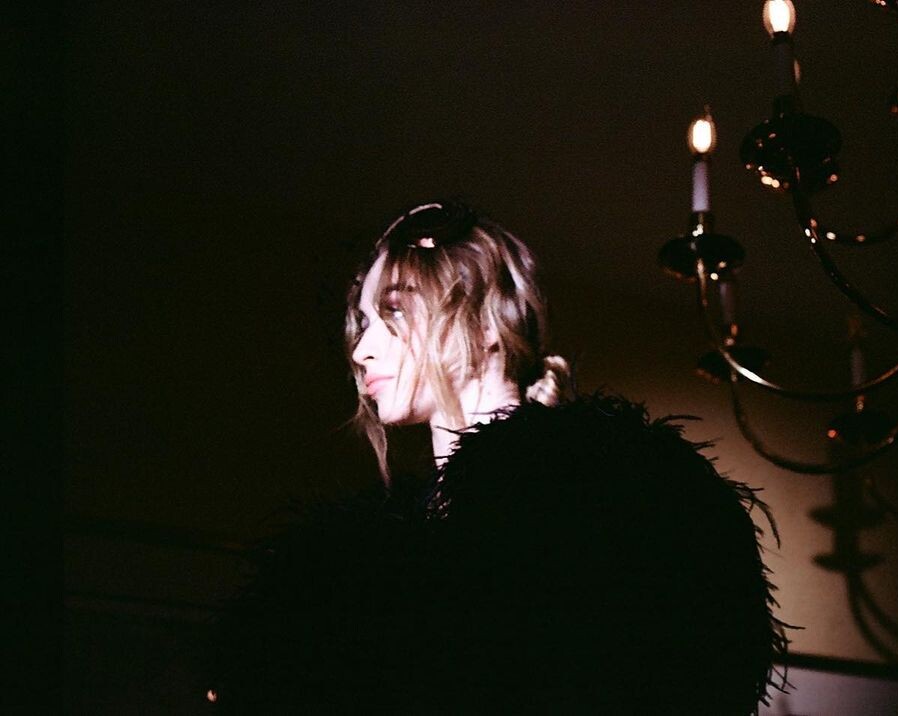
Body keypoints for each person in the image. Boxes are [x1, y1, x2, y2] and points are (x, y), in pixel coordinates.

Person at [209, 201, 786, 714]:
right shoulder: (354, 559)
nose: (362, 349)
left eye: (395, 312)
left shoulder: (621, 499)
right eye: (364, 322)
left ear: (487, 323)